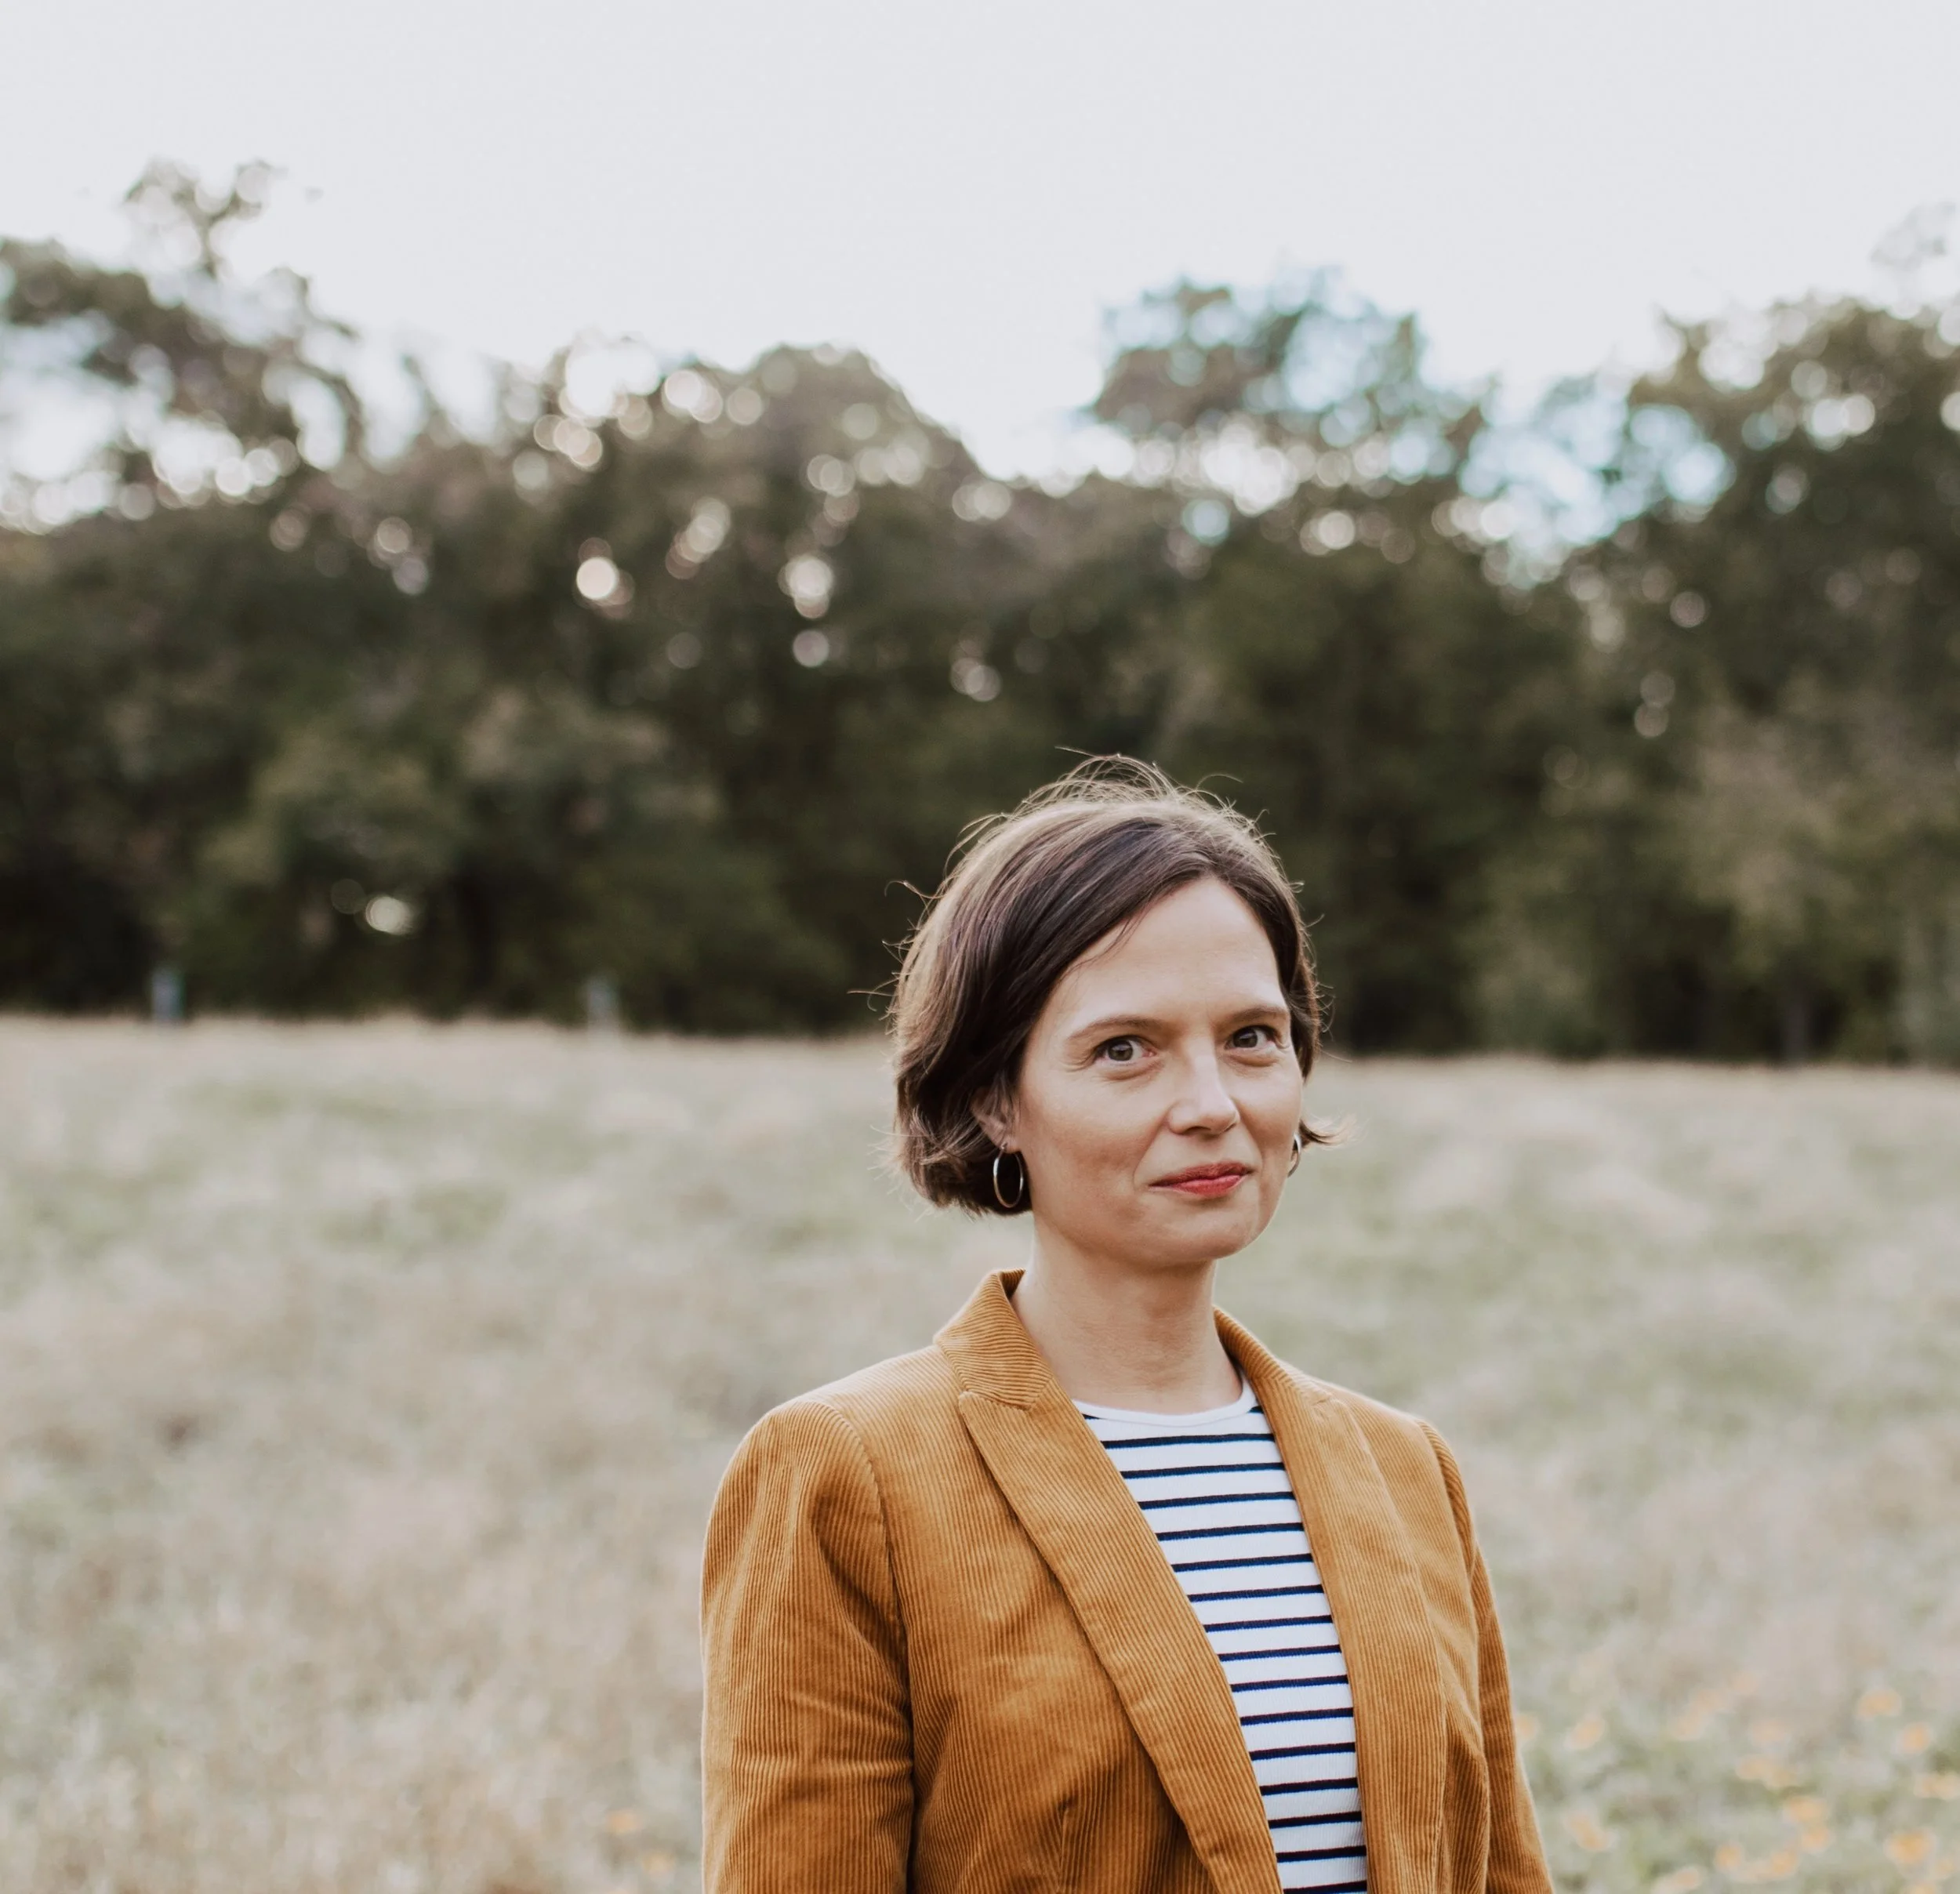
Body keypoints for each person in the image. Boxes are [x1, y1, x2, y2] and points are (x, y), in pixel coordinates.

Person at [700, 761, 1552, 1894]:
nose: (1212, 1102)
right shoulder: (846, 1477)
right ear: (996, 1099)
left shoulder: (1406, 1472)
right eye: (1124, 1050)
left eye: (1252, 1037)